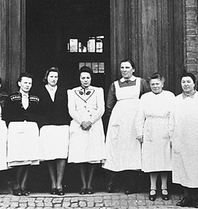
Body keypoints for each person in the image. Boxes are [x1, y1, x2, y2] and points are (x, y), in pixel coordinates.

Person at [103, 59, 149, 194]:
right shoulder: (115, 85)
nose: (124, 70)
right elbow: (109, 105)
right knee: (117, 149)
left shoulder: (141, 82)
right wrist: (117, 118)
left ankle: (132, 184)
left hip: (135, 120)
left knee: (133, 151)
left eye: (127, 67)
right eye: (122, 67)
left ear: (133, 69)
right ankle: (113, 183)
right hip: (119, 121)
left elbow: (147, 100)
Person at [171, 72, 198, 207]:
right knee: (183, 166)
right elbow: (172, 119)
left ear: (194, 83)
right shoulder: (176, 100)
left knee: (197, 167)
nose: (186, 84)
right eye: (183, 82)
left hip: (197, 138)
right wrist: (172, 135)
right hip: (181, 137)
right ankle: (187, 196)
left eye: (189, 82)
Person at [67, 66, 106, 194]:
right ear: (79, 78)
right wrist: (81, 122)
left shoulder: (98, 91)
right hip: (79, 126)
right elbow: (71, 110)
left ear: (91, 78)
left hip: (93, 125)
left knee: (92, 156)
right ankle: (83, 185)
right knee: (81, 156)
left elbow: (101, 109)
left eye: (88, 77)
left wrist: (90, 121)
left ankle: (90, 185)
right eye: (83, 78)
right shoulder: (72, 92)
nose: (85, 80)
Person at [136, 73, 174, 201]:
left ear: (162, 84)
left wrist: (171, 132)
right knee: (152, 160)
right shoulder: (145, 97)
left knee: (164, 160)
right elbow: (140, 116)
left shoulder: (169, 96)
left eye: (157, 84)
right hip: (150, 129)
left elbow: (173, 116)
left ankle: (164, 187)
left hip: (164, 129)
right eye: (152, 84)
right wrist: (139, 133)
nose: (155, 86)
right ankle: (152, 188)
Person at [3, 72, 42, 196]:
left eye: (30, 83)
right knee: (18, 158)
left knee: (28, 158)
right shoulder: (11, 98)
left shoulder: (35, 99)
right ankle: (16, 185)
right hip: (16, 128)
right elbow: (6, 115)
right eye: (25, 82)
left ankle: (23, 185)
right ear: (19, 83)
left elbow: (39, 114)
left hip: (30, 128)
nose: (27, 85)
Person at [37, 67, 71, 195]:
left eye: (56, 77)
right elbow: (36, 109)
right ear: (47, 77)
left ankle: (59, 183)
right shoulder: (40, 91)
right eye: (51, 76)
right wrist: (42, 123)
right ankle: (53, 183)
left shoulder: (64, 91)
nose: (53, 79)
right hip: (47, 127)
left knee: (61, 155)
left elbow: (68, 108)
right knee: (49, 155)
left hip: (61, 126)